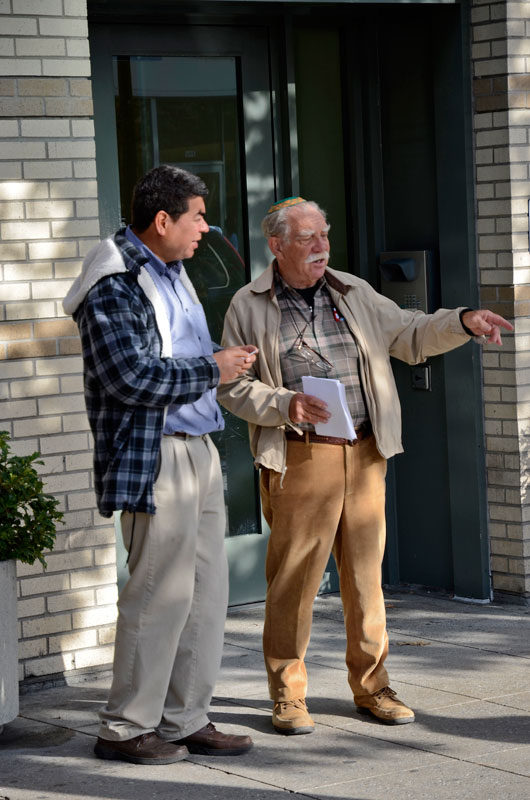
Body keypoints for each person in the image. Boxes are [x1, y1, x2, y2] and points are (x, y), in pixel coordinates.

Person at [217, 195, 513, 736]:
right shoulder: (249, 304)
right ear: (277, 246)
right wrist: (285, 404)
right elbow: (233, 387)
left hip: (366, 449)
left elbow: (411, 333)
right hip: (302, 455)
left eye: (324, 236)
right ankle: (287, 694)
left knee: (365, 579)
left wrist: (465, 321)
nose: (320, 246)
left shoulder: (352, 291)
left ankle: (373, 686)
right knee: (294, 583)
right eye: (306, 238)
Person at [63, 165, 257, 764]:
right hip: (157, 454)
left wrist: (225, 367)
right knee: (157, 595)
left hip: (196, 449)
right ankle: (124, 728)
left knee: (204, 593)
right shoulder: (114, 280)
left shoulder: (172, 272)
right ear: (163, 220)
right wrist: (213, 370)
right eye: (197, 215)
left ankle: (182, 719)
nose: (206, 226)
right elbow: (128, 376)